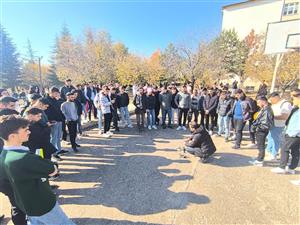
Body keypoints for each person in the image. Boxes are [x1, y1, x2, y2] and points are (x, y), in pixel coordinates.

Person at [0, 115, 75, 224]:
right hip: (43, 204)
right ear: (12, 136)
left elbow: (5, 185)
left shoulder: (3, 156)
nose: (29, 132)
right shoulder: (22, 158)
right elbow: (53, 169)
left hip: (27, 206)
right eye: (25, 130)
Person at [271, 89, 300, 176]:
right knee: (295, 151)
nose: (292, 99)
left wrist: (292, 133)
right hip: (292, 131)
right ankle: (291, 168)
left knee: (284, 149)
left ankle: (282, 167)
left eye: (294, 97)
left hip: (294, 133)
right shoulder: (296, 108)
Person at [249, 96, 274, 166]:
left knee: (261, 145)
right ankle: (259, 158)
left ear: (263, 101)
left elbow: (266, 124)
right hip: (260, 130)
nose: (257, 104)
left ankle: (260, 161)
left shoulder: (267, 110)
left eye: (258, 102)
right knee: (260, 145)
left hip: (261, 130)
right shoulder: (264, 109)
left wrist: (257, 128)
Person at [266, 92, 292, 160]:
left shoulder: (285, 104)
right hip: (273, 124)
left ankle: (274, 154)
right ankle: (270, 151)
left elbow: (284, 116)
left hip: (280, 125)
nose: (271, 102)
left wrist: (271, 117)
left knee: (276, 140)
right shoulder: (275, 104)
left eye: (271, 100)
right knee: (270, 138)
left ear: (276, 97)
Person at [44, 87, 66, 160]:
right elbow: (46, 112)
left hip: (59, 120)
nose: (57, 94)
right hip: (53, 121)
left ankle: (59, 150)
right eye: (55, 93)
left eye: (57, 93)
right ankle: (53, 153)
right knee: (53, 138)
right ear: (51, 92)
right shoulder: (47, 100)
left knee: (59, 136)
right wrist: (50, 120)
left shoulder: (55, 99)